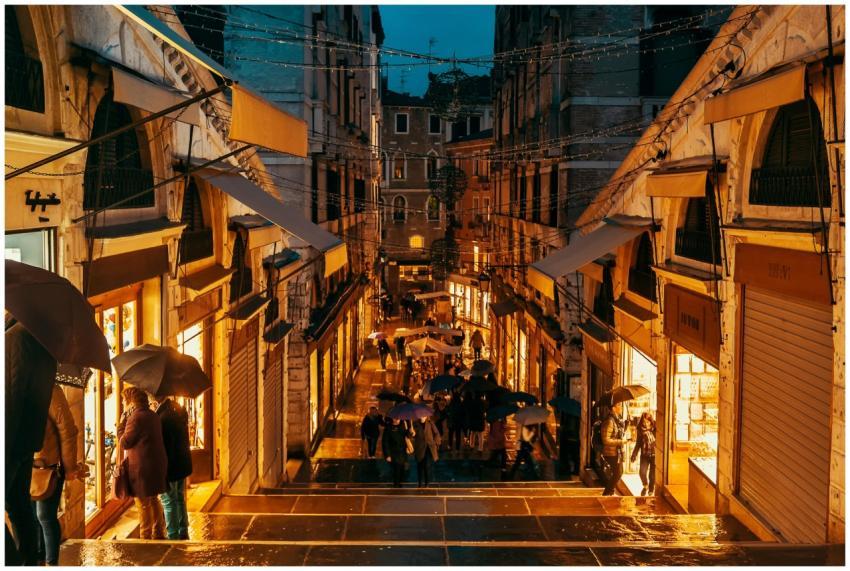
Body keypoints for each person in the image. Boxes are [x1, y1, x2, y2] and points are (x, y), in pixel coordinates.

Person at [6, 318, 57, 566]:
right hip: (26, 441)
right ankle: (27, 561)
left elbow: (12, 394)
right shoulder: (43, 340)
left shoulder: (16, 338)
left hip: (11, 443)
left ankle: (13, 562)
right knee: (20, 509)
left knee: (19, 510)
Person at [31, 384, 83, 566]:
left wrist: (69, 468)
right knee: (30, 518)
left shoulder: (51, 390)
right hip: (25, 464)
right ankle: (37, 561)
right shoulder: (17, 387)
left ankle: (51, 563)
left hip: (48, 465)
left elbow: (67, 430)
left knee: (44, 516)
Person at [117, 387, 168, 539]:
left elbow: (125, 442)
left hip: (142, 469)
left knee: (143, 503)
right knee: (153, 499)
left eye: (123, 401)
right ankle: (158, 533)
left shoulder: (135, 418)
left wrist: (121, 424)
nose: (122, 404)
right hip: (155, 465)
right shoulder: (152, 415)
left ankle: (145, 538)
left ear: (131, 403)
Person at [157, 398, 192, 540]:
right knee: (179, 498)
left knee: (168, 500)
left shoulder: (164, 417)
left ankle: (173, 534)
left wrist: (164, 470)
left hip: (171, 466)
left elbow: (166, 446)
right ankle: (183, 529)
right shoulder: (177, 412)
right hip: (182, 464)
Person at [601, 402, 628, 496]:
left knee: (618, 472)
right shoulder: (609, 421)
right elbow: (606, 440)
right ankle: (607, 492)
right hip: (610, 452)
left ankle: (610, 491)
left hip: (616, 452)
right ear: (613, 408)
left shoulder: (617, 420)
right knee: (618, 472)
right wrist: (621, 441)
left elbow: (617, 433)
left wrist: (626, 425)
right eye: (619, 405)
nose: (621, 407)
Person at [631, 412, 657, 496]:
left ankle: (651, 490)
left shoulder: (655, 429)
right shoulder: (640, 430)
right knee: (642, 472)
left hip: (654, 455)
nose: (646, 424)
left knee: (652, 475)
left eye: (648, 421)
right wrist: (634, 454)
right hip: (645, 454)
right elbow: (638, 443)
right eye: (644, 422)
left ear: (651, 421)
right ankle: (645, 485)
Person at [382, 417, 411, 487]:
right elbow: (385, 442)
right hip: (394, 453)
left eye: (398, 418)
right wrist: (387, 455)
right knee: (396, 470)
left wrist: (409, 429)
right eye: (395, 418)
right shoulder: (388, 428)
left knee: (402, 470)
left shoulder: (403, 425)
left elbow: (408, 436)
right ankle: (396, 486)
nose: (397, 419)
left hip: (403, 453)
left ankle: (400, 486)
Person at [413, 417, 441, 487]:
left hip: (429, 448)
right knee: (420, 466)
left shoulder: (430, 423)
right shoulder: (415, 424)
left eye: (424, 415)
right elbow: (410, 435)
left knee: (427, 466)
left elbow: (436, 433)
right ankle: (420, 483)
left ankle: (427, 483)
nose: (422, 417)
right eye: (421, 415)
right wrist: (411, 433)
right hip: (420, 448)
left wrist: (435, 443)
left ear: (426, 416)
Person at [560, 412, 581, 477]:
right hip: (574, 439)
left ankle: (573, 470)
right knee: (574, 456)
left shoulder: (571, 417)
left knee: (572, 455)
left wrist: (564, 429)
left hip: (571, 438)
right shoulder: (575, 417)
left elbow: (570, 429)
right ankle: (574, 470)